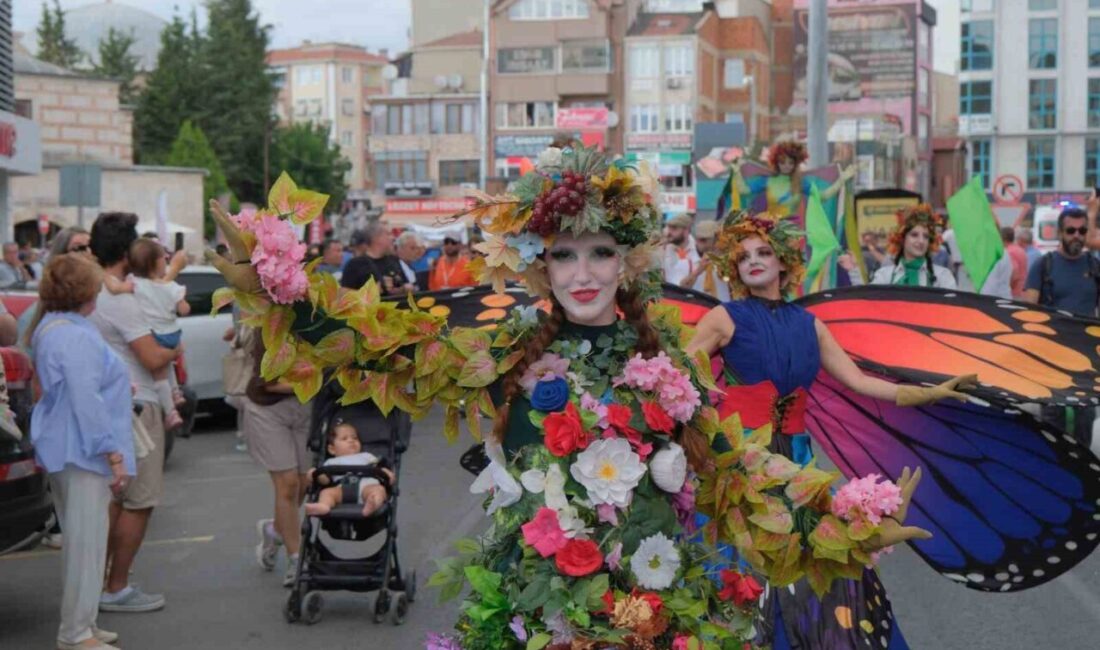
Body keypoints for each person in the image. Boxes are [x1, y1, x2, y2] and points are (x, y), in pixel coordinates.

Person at [209, 148, 924, 647]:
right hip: (534, 612)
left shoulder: (666, 363)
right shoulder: (505, 350)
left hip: (654, 610)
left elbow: (735, 477)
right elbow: (381, 348)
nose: (583, 273)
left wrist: (846, 517)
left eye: (601, 252)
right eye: (563, 254)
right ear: (539, 264)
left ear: (630, 260)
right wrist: (281, 285)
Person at [688, 210, 974, 649]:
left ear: (784, 262)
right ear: (734, 269)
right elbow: (679, 372)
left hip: (799, 460)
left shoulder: (810, 325)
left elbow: (859, 381)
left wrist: (930, 392)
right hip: (742, 459)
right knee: (744, 565)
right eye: (744, 257)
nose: (754, 261)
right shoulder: (725, 317)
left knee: (815, 559)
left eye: (764, 252)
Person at [29, 254, 134, 650]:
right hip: (83, 450)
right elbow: (86, 400)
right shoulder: (73, 334)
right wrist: (113, 453)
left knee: (86, 541)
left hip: (72, 446)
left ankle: (84, 624)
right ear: (86, 292)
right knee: (86, 543)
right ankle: (75, 633)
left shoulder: (56, 327)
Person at [88, 212, 179, 613]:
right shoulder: (122, 300)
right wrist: (176, 346)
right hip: (138, 402)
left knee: (115, 499)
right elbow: (153, 355)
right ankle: (115, 586)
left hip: (113, 401)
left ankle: (97, 581)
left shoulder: (93, 289)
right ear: (127, 251)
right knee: (138, 501)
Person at [1024, 206, 1098, 447]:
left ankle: (1084, 475)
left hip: (1087, 360)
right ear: (1060, 232)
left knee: (1084, 419)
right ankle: (1056, 474)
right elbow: (1027, 314)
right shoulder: (1043, 266)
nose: (1076, 235)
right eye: (1070, 230)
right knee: (1052, 421)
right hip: (1051, 358)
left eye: (1082, 230)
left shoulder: (1095, 267)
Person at [243, 334, 313, 587]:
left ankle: (275, 530)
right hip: (268, 410)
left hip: (305, 409)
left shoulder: (322, 324)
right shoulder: (271, 330)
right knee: (288, 484)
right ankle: (296, 559)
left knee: (305, 483)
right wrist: (318, 381)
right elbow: (268, 384)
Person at [128, 238, 189, 430]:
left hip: (154, 335)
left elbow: (120, 288)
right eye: (165, 257)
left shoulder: (134, 284)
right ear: (156, 262)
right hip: (173, 334)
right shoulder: (172, 286)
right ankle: (176, 392)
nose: (167, 260)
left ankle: (171, 412)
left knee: (159, 375)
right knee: (167, 362)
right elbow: (184, 309)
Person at [842, 204, 957, 288]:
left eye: (926, 236)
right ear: (902, 238)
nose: (921, 241)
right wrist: (854, 271)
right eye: (914, 235)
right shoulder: (885, 275)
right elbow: (867, 304)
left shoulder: (942, 277)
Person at [302, 421, 393, 517]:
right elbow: (325, 481)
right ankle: (323, 506)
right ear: (332, 449)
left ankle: (372, 505)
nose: (351, 440)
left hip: (367, 486)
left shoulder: (366, 456)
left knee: (378, 490)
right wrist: (315, 474)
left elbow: (379, 468)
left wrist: (388, 474)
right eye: (344, 438)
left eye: (355, 438)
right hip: (342, 489)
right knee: (326, 493)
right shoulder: (331, 462)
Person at [340, 222, 410, 295]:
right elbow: (343, 294)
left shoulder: (394, 260)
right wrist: (372, 292)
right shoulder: (355, 264)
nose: (393, 238)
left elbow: (408, 285)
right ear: (376, 238)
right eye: (388, 234)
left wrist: (402, 289)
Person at [682, 219, 730, 300]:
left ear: (716, 239)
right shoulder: (689, 261)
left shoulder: (728, 260)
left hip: (725, 309)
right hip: (701, 309)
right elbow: (682, 290)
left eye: (704, 240)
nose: (698, 244)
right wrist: (698, 271)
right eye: (697, 239)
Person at [662, 213, 699, 286]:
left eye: (674, 228)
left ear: (686, 231)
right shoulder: (664, 248)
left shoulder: (697, 250)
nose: (669, 232)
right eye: (669, 228)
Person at [1003, 225, 1029, 298]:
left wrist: (1008, 288)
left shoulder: (1009, 252)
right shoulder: (1020, 250)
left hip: (1014, 294)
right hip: (1023, 291)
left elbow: (1015, 274)